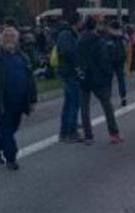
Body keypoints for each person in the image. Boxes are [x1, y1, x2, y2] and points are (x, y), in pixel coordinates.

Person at [0, 27, 38, 171]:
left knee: (12, 128)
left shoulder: (23, 57)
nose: (9, 39)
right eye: (6, 37)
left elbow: (30, 79)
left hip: (19, 100)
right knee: (6, 128)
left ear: (16, 39)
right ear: (1, 39)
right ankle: (11, 157)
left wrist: (32, 99)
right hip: (1, 101)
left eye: (12, 36)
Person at [78, 17, 122, 145]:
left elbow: (78, 59)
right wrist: (108, 74)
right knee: (107, 106)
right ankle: (114, 133)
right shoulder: (98, 41)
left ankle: (88, 135)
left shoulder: (80, 41)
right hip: (98, 78)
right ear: (95, 26)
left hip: (84, 77)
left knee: (84, 108)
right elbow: (104, 59)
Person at [57, 14, 84, 143]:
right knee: (74, 102)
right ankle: (71, 131)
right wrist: (77, 64)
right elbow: (68, 52)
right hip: (70, 72)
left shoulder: (68, 35)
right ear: (77, 22)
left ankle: (64, 132)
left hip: (68, 72)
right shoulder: (67, 35)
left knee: (69, 102)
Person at [107, 21, 129, 107]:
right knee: (121, 79)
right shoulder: (122, 36)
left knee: (109, 80)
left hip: (110, 60)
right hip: (120, 59)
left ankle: (108, 98)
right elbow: (127, 45)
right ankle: (123, 97)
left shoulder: (108, 36)